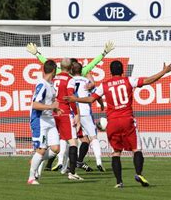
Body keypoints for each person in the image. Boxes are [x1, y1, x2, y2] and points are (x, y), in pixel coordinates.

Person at [66, 60, 171, 188]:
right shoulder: (128, 80)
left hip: (112, 122)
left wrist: (76, 99)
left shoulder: (105, 85)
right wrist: (163, 71)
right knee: (136, 149)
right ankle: (139, 173)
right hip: (127, 120)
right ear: (122, 70)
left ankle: (119, 182)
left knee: (116, 152)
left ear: (110, 72)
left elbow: (91, 99)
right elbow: (147, 81)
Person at [26, 41, 115, 171]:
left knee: (60, 140)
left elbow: (46, 63)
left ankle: (56, 165)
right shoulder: (82, 72)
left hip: (56, 111)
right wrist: (104, 53)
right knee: (76, 139)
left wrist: (37, 54)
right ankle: (75, 166)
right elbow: (93, 64)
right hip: (72, 110)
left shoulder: (58, 72)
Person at [28, 60, 63, 185]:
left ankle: (36, 158)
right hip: (39, 120)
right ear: (53, 71)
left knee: (56, 149)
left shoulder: (51, 85)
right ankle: (31, 178)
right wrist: (51, 107)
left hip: (49, 119)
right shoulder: (42, 85)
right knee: (42, 149)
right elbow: (35, 105)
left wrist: (56, 109)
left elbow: (50, 103)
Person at [70, 61, 106, 172]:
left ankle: (67, 164)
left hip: (72, 113)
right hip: (85, 112)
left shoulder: (69, 81)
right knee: (93, 138)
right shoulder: (87, 82)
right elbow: (97, 95)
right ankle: (99, 162)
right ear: (82, 71)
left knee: (72, 140)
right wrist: (101, 104)